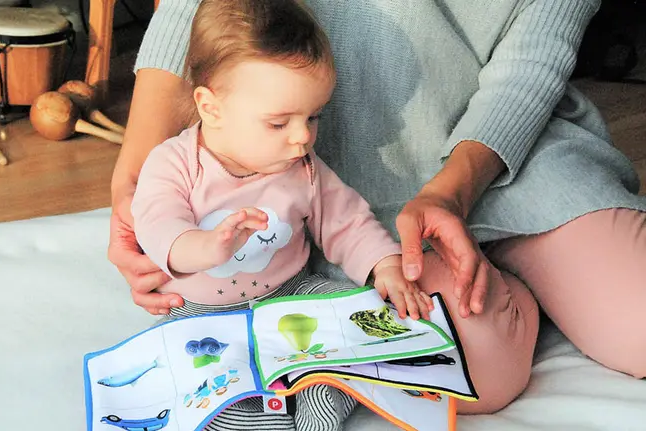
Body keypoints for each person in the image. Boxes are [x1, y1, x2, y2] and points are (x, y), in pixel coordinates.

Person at [110, 0, 646, 419]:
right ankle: (525, 289)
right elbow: (205, 18)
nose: (296, 136)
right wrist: (136, 185)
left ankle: (528, 267)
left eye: (300, 124)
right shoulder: (295, 157)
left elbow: (535, 60)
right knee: (477, 376)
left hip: (513, 149)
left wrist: (453, 191)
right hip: (364, 171)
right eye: (280, 125)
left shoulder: (299, 157)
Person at [131, 1, 433, 429]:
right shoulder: (174, 163)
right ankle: (257, 418)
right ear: (211, 107)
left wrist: (384, 266)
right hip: (199, 309)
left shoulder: (304, 168)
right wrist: (207, 246)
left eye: (312, 117)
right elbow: (158, 226)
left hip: (290, 291)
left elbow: (345, 221)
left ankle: (322, 404)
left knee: (358, 318)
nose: (302, 137)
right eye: (278, 123)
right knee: (200, 379)